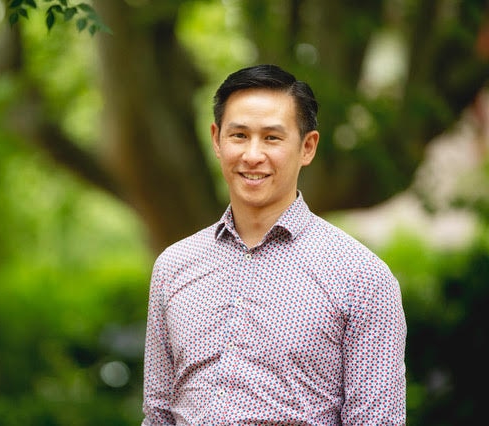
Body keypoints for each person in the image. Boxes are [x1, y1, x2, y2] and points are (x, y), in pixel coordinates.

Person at [141, 64, 407, 425]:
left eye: (272, 138)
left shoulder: (361, 277)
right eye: (239, 136)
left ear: (307, 146)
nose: (252, 155)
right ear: (217, 139)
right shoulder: (174, 266)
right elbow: (157, 415)